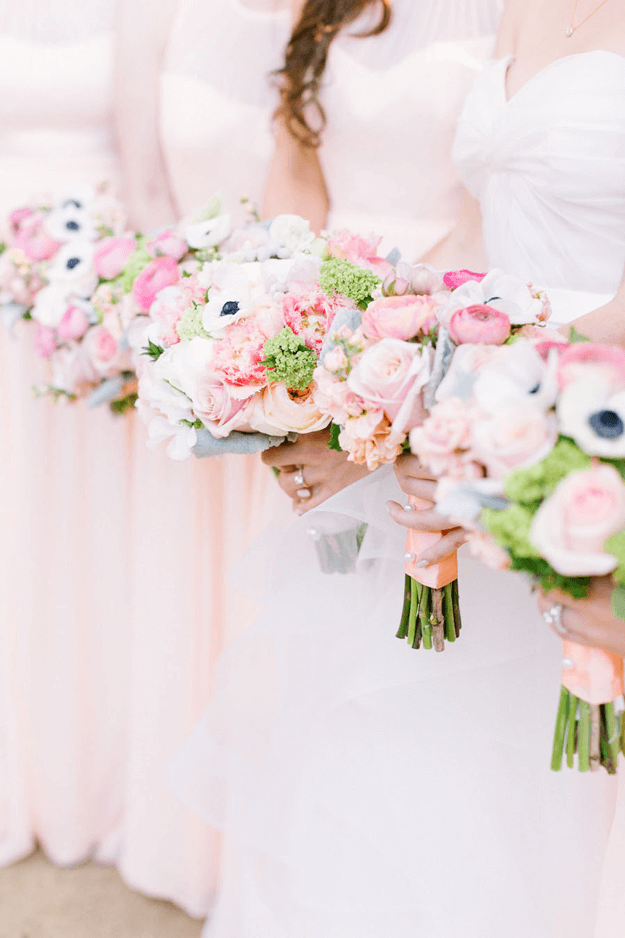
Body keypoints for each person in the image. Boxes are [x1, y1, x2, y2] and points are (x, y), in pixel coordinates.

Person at [171, 2, 618, 935]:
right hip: (486, 407)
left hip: (584, 403)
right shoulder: (527, 7)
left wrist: (501, 390)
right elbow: (472, 243)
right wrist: (357, 376)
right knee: (420, 739)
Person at [0, 0, 289, 918]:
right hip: (22, 280)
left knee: (101, 535)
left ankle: (103, 770)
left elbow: (151, 161)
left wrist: (129, 292)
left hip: (97, 276)